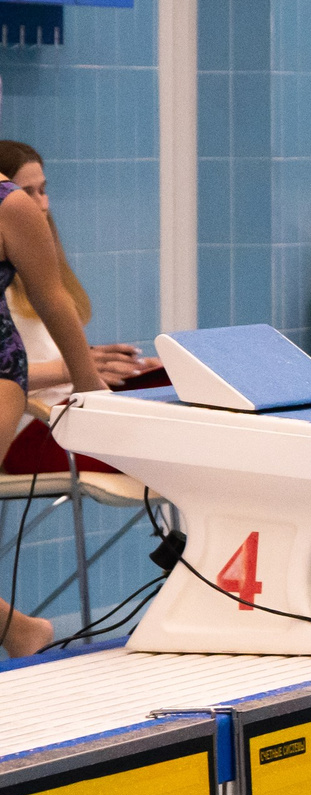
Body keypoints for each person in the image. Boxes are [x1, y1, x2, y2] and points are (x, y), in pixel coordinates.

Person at [0, 139, 106, 660]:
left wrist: (89, 383)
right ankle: (18, 630)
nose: (43, 198)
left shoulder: (9, 205)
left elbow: (54, 300)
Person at [0, 142, 158, 433]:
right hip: (37, 418)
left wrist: (119, 368)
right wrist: (72, 369)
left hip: (66, 406)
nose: (42, 204)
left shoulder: (42, 280)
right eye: (27, 193)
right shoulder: (6, 284)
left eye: (43, 190)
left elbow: (46, 342)